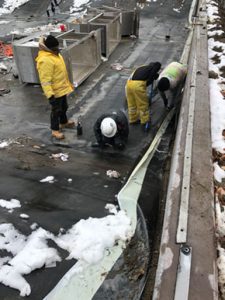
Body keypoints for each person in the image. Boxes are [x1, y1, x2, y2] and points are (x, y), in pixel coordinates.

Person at [36, 35, 75, 139]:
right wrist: (50, 96)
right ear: (49, 48)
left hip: (62, 88)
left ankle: (64, 122)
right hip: (55, 92)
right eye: (55, 48)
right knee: (56, 111)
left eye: (57, 47)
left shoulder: (55, 55)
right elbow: (45, 81)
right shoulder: (45, 60)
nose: (57, 49)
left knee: (64, 107)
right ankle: (55, 130)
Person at [125, 62, 161, 131]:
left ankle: (133, 119)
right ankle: (145, 121)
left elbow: (145, 76)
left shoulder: (142, 67)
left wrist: (155, 76)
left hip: (129, 84)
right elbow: (149, 81)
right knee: (143, 104)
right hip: (137, 85)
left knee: (132, 104)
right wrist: (153, 77)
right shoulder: (153, 69)